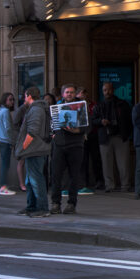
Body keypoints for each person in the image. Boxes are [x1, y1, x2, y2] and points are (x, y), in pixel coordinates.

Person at [50, 84, 90, 214]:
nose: (69, 94)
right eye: (67, 92)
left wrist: (75, 130)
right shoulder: (56, 108)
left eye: (72, 92)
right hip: (60, 145)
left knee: (74, 175)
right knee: (56, 175)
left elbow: (85, 127)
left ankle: (71, 204)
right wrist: (52, 134)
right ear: (63, 94)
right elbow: (51, 125)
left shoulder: (81, 107)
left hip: (75, 145)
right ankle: (55, 203)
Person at [16, 87, 52, 217]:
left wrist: (23, 148)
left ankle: (42, 208)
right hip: (35, 149)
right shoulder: (38, 108)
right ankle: (31, 206)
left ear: (29, 95)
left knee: (36, 179)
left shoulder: (36, 109)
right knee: (30, 180)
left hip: (35, 149)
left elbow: (33, 131)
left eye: (25, 96)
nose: (24, 99)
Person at [95, 82, 132, 193]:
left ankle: (125, 185)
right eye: (105, 90)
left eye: (109, 90)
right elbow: (93, 120)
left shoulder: (122, 104)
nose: (107, 92)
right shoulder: (99, 105)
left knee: (123, 163)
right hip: (105, 137)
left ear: (113, 90)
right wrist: (101, 121)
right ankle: (109, 185)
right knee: (106, 163)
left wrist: (127, 134)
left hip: (120, 136)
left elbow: (129, 120)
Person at [75, 87, 101, 193]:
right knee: (82, 161)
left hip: (90, 135)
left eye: (85, 93)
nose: (83, 95)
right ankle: (82, 183)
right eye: (81, 93)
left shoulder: (92, 105)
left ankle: (95, 181)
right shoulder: (75, 106)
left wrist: (86, 133)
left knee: (95, 159)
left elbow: (89, 121)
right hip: (77, 137)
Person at [0, 92, 18, 195]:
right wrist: (13, 140)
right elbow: (8, 128)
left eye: (13, 99)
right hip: (5, 140)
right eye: (10, 99)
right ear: (5, 100)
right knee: (5, 164)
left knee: (5, 164)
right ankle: (3, 186)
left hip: (1, 139)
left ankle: (3, 186)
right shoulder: (5, 111)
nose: (12, 102)